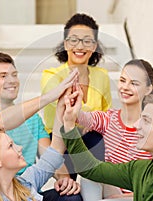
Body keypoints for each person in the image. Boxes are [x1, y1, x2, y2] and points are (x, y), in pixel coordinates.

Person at [0, 52, 82, 200]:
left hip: (21, 187)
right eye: (3, 76)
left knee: (70, 195)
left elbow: (51, 154)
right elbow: (2, 121)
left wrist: (64, 179)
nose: (12, 81)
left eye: (14, 75)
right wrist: (50, 96)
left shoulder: (28, 180)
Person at [57, 87, 153, 201]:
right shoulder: (141, 169)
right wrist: (69, 123)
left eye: (146, 120)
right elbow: (90, 170)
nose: (137, 125)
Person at [41, 13, 112, 178]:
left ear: (94, 46)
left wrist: (92, 121)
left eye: (87, 41)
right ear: (66, 44)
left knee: (97, 141)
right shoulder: (50, 75)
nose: (80, 46)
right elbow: (65, 108)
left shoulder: (101, 75)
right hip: (60, 138)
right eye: (74, 40)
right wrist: (89, 119)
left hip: (91, 139)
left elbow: (108, 114)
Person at [74, 59, 153, 200]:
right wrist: (75, 99)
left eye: (134, 83)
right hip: (112, 190)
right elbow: (78, 117)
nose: (125, 87)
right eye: (123, 80)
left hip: (140, 194)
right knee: (88, 175)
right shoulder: (108, 119)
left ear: (148, 89)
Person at [0, 128, 78, 201]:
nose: (20, 148)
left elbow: (55, 151)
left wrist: (64, 112)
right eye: (11, 146)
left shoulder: (26, 183)